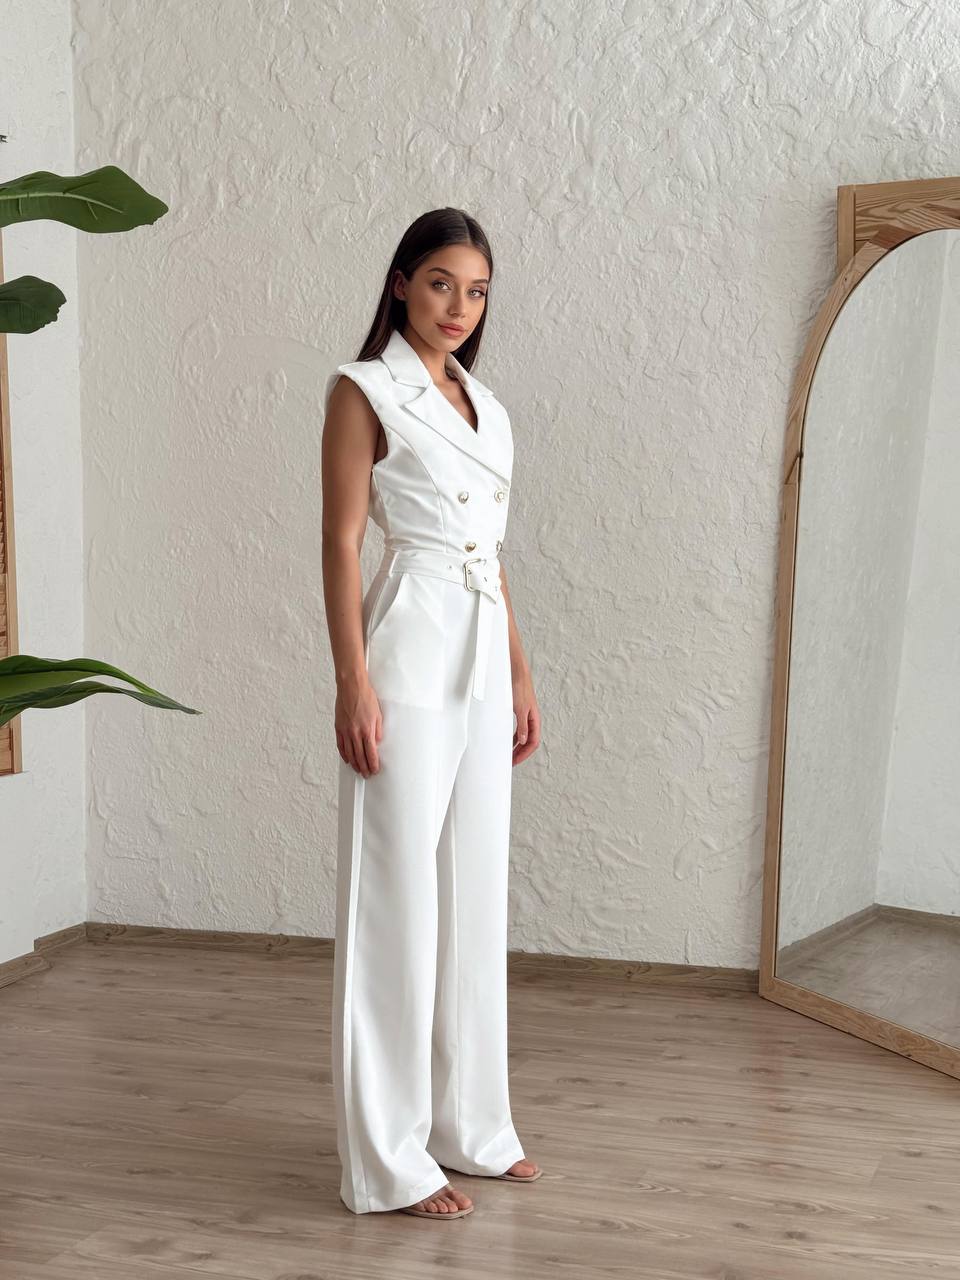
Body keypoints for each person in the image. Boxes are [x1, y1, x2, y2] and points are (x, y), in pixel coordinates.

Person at [320, 208, 542, 1219]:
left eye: (478, 290)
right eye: (443, 282)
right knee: (395, 900)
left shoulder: (486, 407)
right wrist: (352, 680)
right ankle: (389, 1159)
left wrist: (520, 671)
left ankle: (472, 1127)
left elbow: (491, 551)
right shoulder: (364, 389)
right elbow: (341, 540)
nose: (460, 306)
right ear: (403, 281)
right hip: (406, 647)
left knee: (473, 894)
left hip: (482, 651)